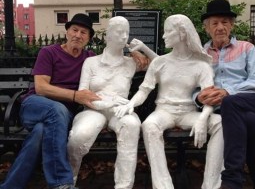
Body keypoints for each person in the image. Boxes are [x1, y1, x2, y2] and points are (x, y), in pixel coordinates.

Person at [0, 13, 148, 189]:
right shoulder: (49, 52)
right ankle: (61, 182)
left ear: (88, 38)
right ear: (67, 32)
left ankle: (11, 186)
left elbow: (118, 57)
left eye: (83, 32)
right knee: (57, 110)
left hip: (61, 117)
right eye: (74, 30)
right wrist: (75, 96)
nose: (78, 35)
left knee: (40, 133)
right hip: (37, 104)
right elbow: (41, 87)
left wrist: (133, 50)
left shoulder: (89, 58)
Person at [115, 14, 224, 189]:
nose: (164, 36)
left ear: (181, 33)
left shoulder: (201, 65)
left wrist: (203, 119)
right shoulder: (160, 62)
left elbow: (209, 96)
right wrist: (130, 104)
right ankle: (163, 185)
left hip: (189, 113)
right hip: (164, 112)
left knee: (219, 123)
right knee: (149, 125)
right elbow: (144, 90)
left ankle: (210, 185)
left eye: (167, 32)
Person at [67, 16, 157, 189]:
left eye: (127, 33)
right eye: (119, 32)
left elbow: (161, 64)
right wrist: (108, 102)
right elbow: (83, 94)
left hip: (120, 110)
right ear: (107, 35)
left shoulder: (132, 62)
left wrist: (143, 49)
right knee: (79, 135)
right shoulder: (91, 62)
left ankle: (124, 186)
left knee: (131, 125)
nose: (124, 37)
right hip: (93, 109)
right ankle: (68, 180)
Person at [195, 0, 255, 189]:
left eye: (225, 22)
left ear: (231, 25)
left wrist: (228, 92)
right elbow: (193, 85)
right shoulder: (202, 54)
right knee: (248, 122)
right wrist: (198, 98)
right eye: (215, 23)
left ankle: (232, 180)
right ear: (207, 28)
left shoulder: (246, 48)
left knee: (231, 102)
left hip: (254, 103)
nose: (220, 27)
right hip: (231, 114)